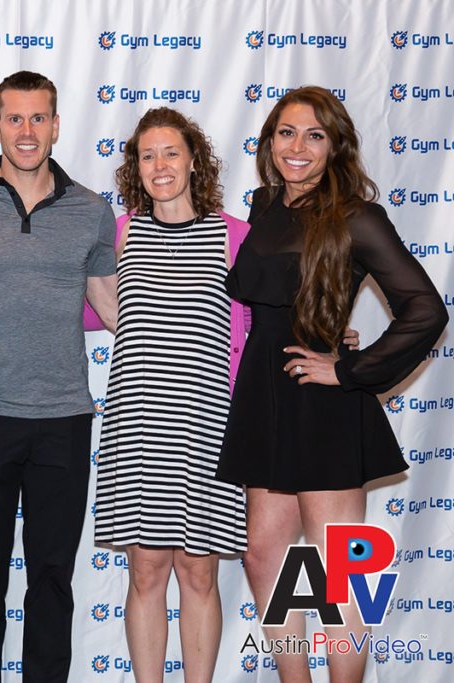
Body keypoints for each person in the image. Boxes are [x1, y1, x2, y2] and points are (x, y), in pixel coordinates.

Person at [216, 86, 447, 682]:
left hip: (322, 405)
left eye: (314, 136)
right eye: (287, 133)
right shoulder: (265, 204)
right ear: (269, 142)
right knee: (265, 557)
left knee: (338, 574)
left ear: (334, 147)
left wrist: (347, 369)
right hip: (264, 398)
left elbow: (425, 309)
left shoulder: (356, 216)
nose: (298, 147)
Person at [0, 71, 119, 683]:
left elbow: (116, 308)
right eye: (14, 118)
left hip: (64, 419)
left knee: (51, 578)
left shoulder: (93, 212)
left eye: (39, 118)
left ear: (57, 126)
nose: (27, 131)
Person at [92, 107, 248, 683]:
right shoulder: (120, 232)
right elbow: (89, 306)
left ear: (194, 160)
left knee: (200, 575)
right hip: (136, 429)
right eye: (147, 154)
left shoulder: (233, 235)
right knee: (147, 573)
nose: (160, 165)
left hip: (207, 428)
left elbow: (264, 320)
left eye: (171, 153)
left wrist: (327, 333)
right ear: (136, 165)